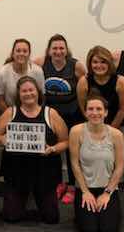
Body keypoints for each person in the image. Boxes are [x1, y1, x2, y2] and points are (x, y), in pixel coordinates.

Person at [0, 76, 68, 224]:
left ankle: (36, 197)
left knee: (51, 218)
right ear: (19, 94)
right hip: (17, 171)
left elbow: (65, 142)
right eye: (24, 91)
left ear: (38, 92)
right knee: (11, 216)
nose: (28, 94)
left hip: (44, 170)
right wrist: (3, 140)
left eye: (31, 90)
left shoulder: (51, 114)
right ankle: (23, 199)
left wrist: (52, 148)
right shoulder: (10, 112)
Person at [34, 34, 86, 205]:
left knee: (72, 151)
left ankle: (72, 185)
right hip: (50, 115)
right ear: (49, 50)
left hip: (72, 114)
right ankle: (56, 183)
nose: (58, 51)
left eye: (61, 48)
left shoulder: (76, 66)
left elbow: (85, 88)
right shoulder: (40, 63)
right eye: (54, 48)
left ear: (66, 49)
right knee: (52, 150)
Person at [69, 96, 124, 232]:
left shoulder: (116, 135)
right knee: (90, 231)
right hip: (85, 188)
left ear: (106, 112)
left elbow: (119, 167)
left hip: (108, 188)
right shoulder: (76, 132)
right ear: (85, 112)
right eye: (90, 109)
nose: (95, 113)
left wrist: (107, 193)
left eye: (99, 109)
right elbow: (75, 164)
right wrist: (85, 192)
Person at [78, 46, 124, 130]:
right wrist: (97, 128)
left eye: (103, 62)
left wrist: (110, 131)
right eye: (95, 62)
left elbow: (122, 110)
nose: (99, 65)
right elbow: (84, 110)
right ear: (90, 64)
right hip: (92, 125)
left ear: (109, 63)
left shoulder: (121, 81)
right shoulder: (83, 81)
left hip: (118, 125)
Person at [0, 39, 44, 116]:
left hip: (32, 113)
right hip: (8, 112)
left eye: (25, 51)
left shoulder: (38, 71)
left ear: (29, 54)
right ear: (12, 54)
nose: (21, 53)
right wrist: (13, 116)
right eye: (18, 51)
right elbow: (0, 100)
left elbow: (42, 96)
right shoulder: (2, 72)